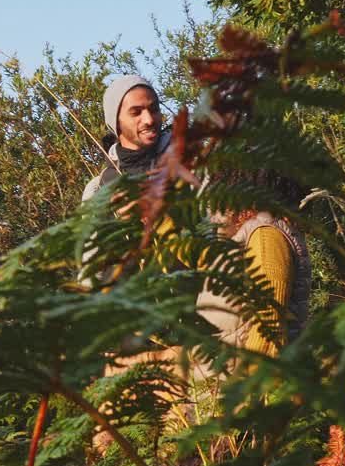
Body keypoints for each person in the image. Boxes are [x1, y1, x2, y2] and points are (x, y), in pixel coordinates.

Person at [80, 75, 309, 356]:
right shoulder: (99, 190)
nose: (149, 119)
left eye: (153, 108)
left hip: (201, 333)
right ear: (114, 123)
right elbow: (92, 277)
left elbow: (228, 239)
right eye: (136, 112)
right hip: (139, 343)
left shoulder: (195, 168)